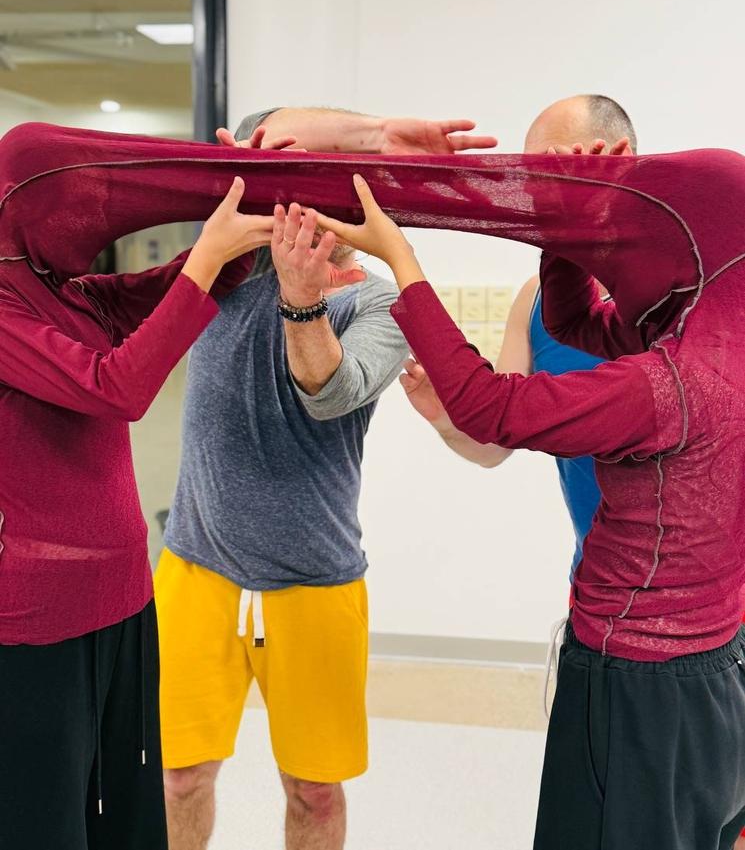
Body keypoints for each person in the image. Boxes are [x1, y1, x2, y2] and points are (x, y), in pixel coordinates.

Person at [312, 143, 745, 849]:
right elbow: (573, 324)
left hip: (637, 680)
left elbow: (488, 408)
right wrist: (564, 224)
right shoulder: (715, 340)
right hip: (716, 665)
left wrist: (402, 259)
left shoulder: (670, 384)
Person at [155, 108, 496, 850]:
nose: (308, 206)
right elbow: (270, 123)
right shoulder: (226, 263)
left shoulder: (378, 301)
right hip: (195, 568)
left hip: (315, 580)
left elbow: (329, 393)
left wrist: (302, 300)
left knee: (313, 790)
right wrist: (379, 132)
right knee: (179, 775)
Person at [0, 133, 291, 847]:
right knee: (45, 818)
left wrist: (246, 212)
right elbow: (116, 388)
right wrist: (210, 254)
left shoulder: (69, 292)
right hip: (39, 620)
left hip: (125, 600)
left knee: (124, 812)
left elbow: (191, 285)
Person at [400, 95, 635, 582]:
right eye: (533, 174)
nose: (539, 190)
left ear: (619, 159)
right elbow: (494, 445)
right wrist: (447, 418)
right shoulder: (535, 299)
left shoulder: (692, 291)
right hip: (597, 591)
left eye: (556, 166)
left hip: (712, 606)